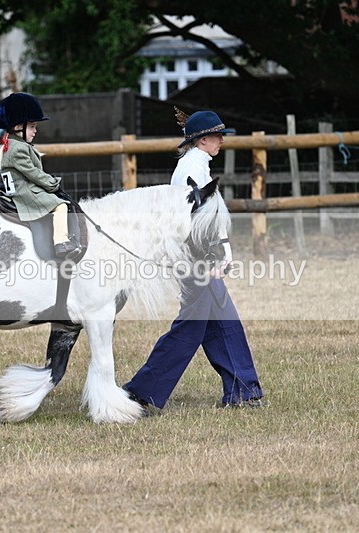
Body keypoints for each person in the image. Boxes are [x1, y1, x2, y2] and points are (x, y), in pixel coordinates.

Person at [124, 109, 264, 410]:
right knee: (190, 328)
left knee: (224, 321)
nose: (222, 140)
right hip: (196, 258)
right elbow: (198, 219)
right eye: (217, 136)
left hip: (197, 256)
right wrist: (217, 256)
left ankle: (243, 390)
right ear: (202, 140)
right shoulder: (192, 169)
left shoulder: (196, 165)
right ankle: (140, 393)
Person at [0, 92, 81, 259]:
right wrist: (52, 183)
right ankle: (61, 243)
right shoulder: (18, 148)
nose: (35, 131)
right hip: (25, 193)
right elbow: (33, 173)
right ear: (18, 126)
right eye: (32, 126)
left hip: (21, 189)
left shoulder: (11, 144)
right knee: (61, 206)